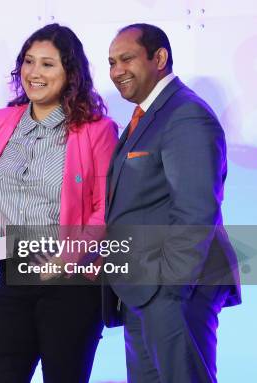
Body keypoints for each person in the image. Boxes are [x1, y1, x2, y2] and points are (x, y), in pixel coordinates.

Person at [0, 23, 118, 383]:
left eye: (48, 64)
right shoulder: (3, 121)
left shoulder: (97, 129)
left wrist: (68, 258)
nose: (34, 73)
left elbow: (105, 210)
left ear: (71, 73)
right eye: (29, 62)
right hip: (12, 276)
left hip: (70, 283)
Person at [105, 23, 241, 382]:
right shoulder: (146, 117)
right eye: (111, 62)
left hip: (176, 289)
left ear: (160, 58)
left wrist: (170, 288)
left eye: (126, 59)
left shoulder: (185, 114)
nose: (117, 70)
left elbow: (197, 209)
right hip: (145, 290)